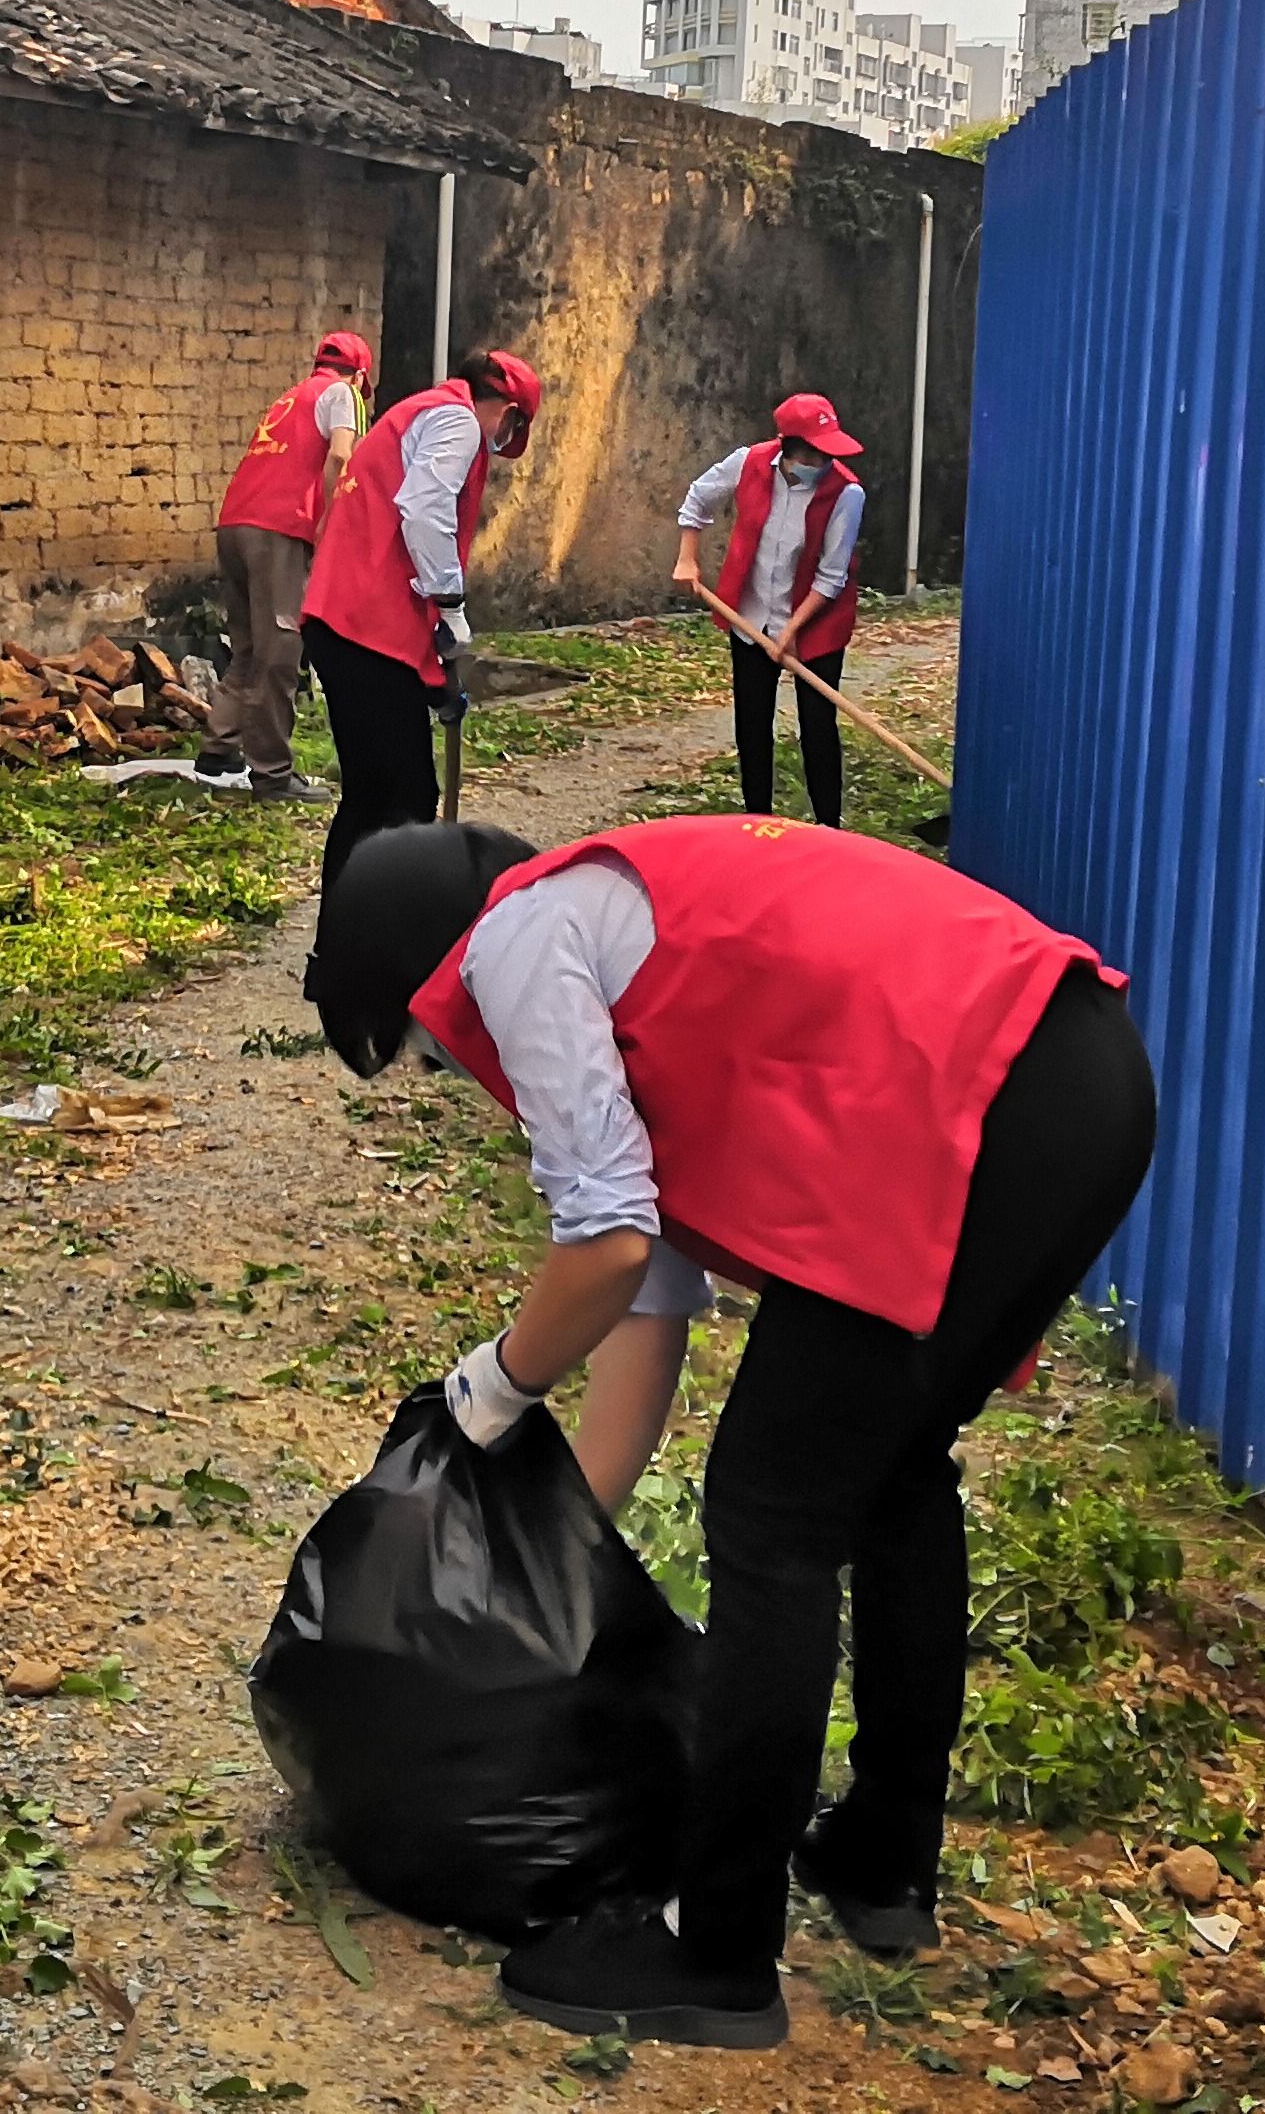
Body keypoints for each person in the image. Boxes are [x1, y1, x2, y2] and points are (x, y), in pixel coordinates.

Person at [302, 814, 1154, 2051]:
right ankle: (882, 1858)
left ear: (422, 972)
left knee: (771, 1516)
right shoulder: (613, 928)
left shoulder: (518, 940)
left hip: (989, 1093)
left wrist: (487, 1391)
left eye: (430, 1055)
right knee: (893, 1474)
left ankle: (720, 1953)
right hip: (1077, 1080)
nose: (462, 1075)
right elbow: (641, 1315)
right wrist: (546, 1554)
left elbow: (604, 1247)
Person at [297, 347, 545, 889]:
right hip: (363, 628)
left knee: (375, 796)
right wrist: (452, 605)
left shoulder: (420, 411)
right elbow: (425, 510)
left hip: (350, 624)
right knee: (402, 799)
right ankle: (379, 939)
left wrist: (434, 682)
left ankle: (343, 946)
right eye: (510, 429)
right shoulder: (457, 421)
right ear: (507, 412)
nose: (500, 442)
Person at [673, 392, 870, 829]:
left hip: (817, 623)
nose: (822, 463)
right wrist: (688, 558)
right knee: (752, 720)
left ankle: (828, 828)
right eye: (815, 453)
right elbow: (698, 500)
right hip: (751, 615)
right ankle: (756, 820)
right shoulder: (748, 463)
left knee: (817, 726)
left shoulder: (846, 493)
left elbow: (831, 576)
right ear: (789, 449)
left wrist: (793, 630)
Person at [200, 330, 369, 798]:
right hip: (278, 530)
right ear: (359, 374)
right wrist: (330, 525)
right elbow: (340, 454)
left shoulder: (289, 399)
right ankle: (272, 774)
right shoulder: (344, 393)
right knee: (281, 651)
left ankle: (219, 748)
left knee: (249, 649)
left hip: (235, 525)